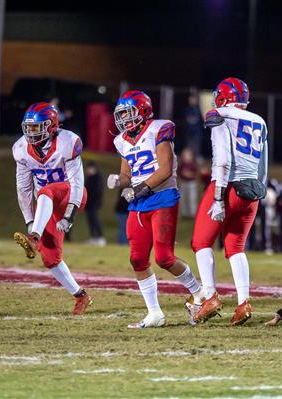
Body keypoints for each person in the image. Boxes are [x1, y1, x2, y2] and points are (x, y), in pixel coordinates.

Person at [107, 90, 205, 328]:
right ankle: (155, 314)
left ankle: (200, 293)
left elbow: (164, 170)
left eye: (128, 113)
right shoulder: (121, 140)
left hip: (162, 198)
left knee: (164, 257)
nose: (124, 119)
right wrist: (119, 180)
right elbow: (127, 173)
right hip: (139, 204)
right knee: (137, 258)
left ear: (143, 111)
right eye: (121, 114)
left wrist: (138, 189)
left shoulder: (159, 129)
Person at [191, 77, 269, 326]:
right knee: (235, 247)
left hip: (227, 187)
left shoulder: (218, 114)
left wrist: (218, 197)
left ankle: (211, 297)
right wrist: (259, 191)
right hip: (252, 191)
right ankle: (243, 302)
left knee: (200, 242)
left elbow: (222, 159)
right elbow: (263, 166)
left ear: (223, 97)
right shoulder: (259, 120)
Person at [12, 102, 92, 315]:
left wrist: (69, 216)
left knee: (45, 191)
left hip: (71, 196)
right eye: (28, 127)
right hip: (47, 204)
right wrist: (30, 221)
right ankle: (80, 295)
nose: (31, 132)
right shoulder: (21, 150)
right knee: (50, 258)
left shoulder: (68, 142)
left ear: (51, 126)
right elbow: (24, 190)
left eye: (36, 127)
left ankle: (34, 238)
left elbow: (77, 183)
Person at [84, 161, 106, 246]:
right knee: (90, 220)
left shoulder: (97, 178)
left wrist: (97, 202)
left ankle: (100, 238)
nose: (88, 170)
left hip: (94, 204)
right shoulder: (89, 178)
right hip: (89, 204)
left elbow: (98, 191)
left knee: (95, 220)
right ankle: (93, 237)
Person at [177, 147, 199, 218]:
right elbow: (179, 173)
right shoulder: (181, 164)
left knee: (192, 198)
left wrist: (189, 174)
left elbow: (196, 174)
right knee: (183, 198)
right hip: (184, 183)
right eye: (185, 155)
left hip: (192, 183)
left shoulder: (193, 164)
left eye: (188, 155)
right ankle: (184, 213)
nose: (187, 157)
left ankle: (193, 213)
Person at [183, 94, 204, 159]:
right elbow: (186, 119)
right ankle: (189, 157)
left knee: (197, 144)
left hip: (197, 130)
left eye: (193, 99)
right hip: (189, 131)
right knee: (189, 144)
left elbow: (201, 119)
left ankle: (197, 156)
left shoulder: (198, 109)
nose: (192, 101)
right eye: (191, 100)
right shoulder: (187, 109)